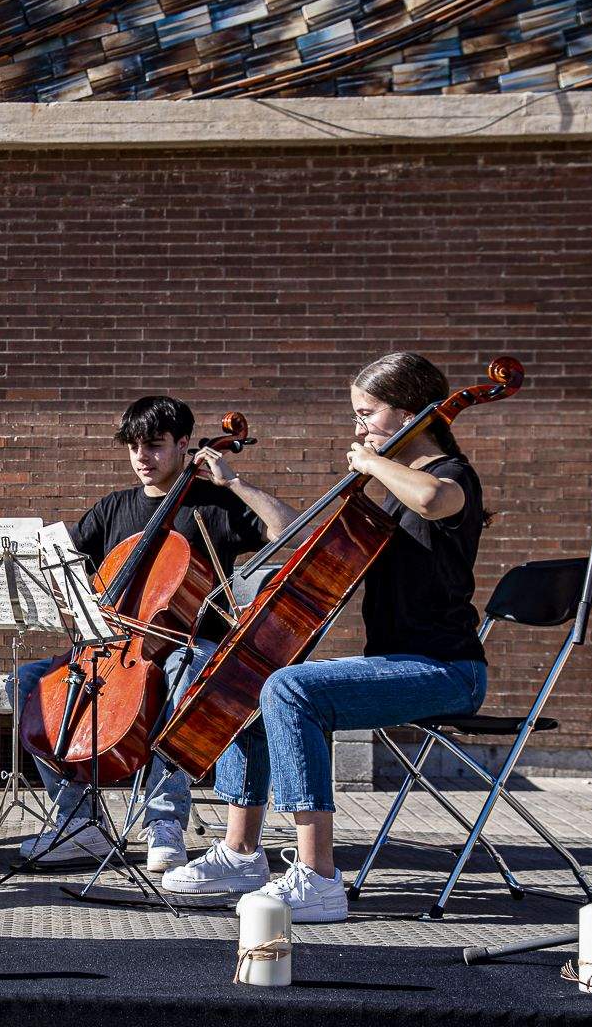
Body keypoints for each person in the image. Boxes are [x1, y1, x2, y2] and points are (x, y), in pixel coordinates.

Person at [161, 353, 491, 922]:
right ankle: (241, 853)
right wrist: (236, 483)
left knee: (291, 690)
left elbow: (435, 500)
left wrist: (371, 462)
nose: (358, 429)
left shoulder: (452, 480)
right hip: (394, 664)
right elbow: (302, 534)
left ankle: (317, 877)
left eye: (367, 414)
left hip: (447, 671)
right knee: (251, 682)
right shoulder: (390, 494)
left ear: (412, 414)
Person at [12, 396, 297, 869]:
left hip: (188, 643)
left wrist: (235, 481)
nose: (142, 458)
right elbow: (62, 564)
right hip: (112, 648)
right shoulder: (113, 508)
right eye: (134, 447)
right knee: (25, 683)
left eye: (155, 446)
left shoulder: (215, 505)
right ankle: (79, 823)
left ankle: (164, 820)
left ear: (185, 446)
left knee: (191, 669)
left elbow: (292, 532)